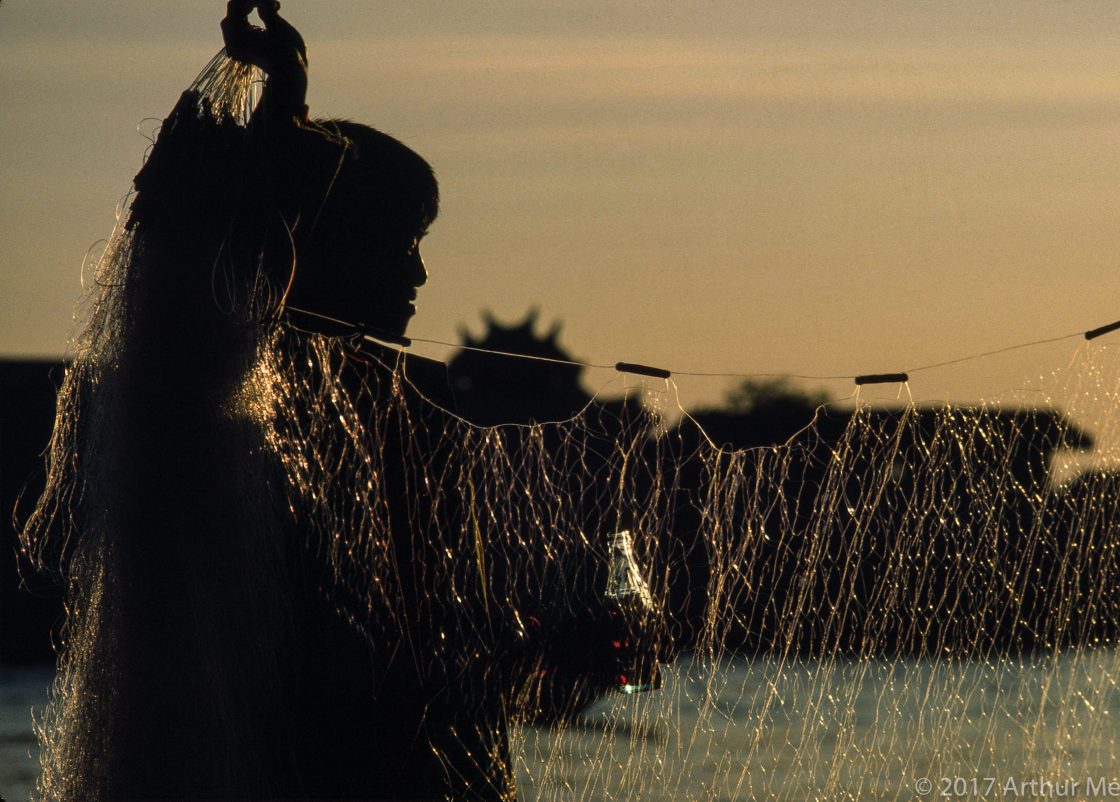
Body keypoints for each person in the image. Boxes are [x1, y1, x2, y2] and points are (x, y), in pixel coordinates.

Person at [23, 3, 671, 800]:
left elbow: (417, 681)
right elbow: (348, 703)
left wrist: (553, 659)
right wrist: (283, 118)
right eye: (399, 243)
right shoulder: (225, 436)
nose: (419, 277)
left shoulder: (383, 426)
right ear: (313, 247)